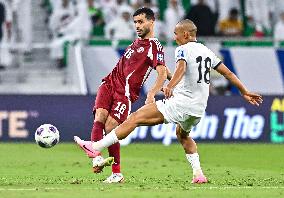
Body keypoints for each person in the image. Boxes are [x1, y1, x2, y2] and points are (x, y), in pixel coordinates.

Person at [74, 19, 262, 184]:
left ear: (186, 34)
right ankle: (198, 174)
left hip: (181, 103)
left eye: (176, 34)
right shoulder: (207, 51)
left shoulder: (183, 49)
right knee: (183, 135)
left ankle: (95, 146)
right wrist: (244, 91)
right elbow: (227, 73)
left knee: (134, 119)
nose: (174, 38)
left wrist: (170, 86)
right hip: (198, 109)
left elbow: (181, 69)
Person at [87, 7, 170, 183]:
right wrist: (174, 79)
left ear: (151, 22)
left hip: (124, 93)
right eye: (135, 22)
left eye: (141, 22)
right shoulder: (136, 42)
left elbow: (161, 71)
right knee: (99, 118)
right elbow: (165, 70)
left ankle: (116, 173)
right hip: (108, 83)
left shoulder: (155, 45)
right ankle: (97, 159)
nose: (137, 26)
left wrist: (153, 93)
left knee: (111, 128)